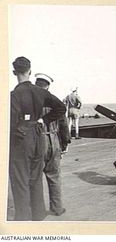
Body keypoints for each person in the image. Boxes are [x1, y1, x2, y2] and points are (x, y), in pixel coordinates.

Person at [9, 57, 66, 221]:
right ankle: (38, 214)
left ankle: (22, 218)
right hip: (38, 135)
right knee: (35, 177)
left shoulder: (14, 95)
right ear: (30, 71)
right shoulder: (40, 92)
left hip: (21, 138)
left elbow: (11, 122)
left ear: (14, 72)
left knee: (20, 179)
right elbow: (61, 108)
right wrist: (44, 120)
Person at [35, 73, 71, 216]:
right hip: (54, 140)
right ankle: (57, 208)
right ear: (48, 86)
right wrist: (65, 144)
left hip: (38, 142)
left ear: (36, 84)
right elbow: (64, 125)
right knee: (54, 176)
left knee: (35, 177)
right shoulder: (55, 102)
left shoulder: (31, 101)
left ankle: (38, 211)